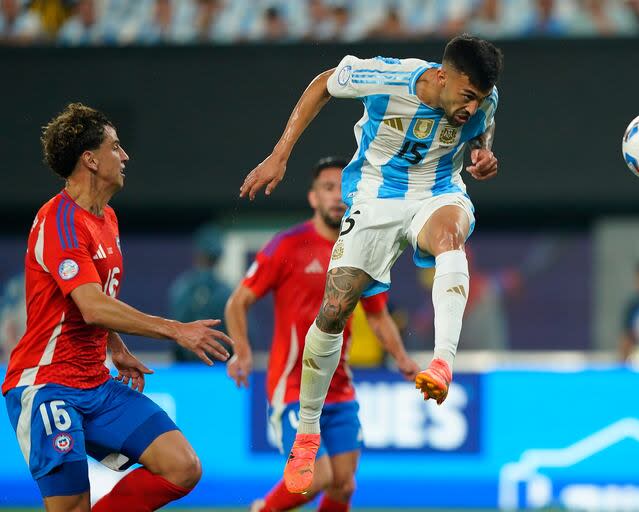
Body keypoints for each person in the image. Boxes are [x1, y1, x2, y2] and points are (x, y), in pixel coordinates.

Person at [239, 34, 502, 493]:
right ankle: (305, 432)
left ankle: (442, 363)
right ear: (443, 76)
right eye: (466, 96)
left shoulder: (484, 98)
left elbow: (482, 123)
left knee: (450, 240)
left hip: (437, 190)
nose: (472, 106)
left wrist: (480, 150)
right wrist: (280, 154)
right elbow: (323, 83)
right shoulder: (389, 76)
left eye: (479, 98)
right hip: (376, 194)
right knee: (334, 309)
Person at [2, 103, 233, 512]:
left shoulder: (106, 217)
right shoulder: (59, 221)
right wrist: (176, 330)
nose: (124, 156)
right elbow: (90, 305)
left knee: (182, 466)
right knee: (71, 505)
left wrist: (117, 346)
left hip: (95, 383)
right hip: (46, 386)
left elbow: (93, 300)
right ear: (90, 159)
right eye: (115, 146)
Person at [227, 157, 419, 512]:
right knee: (316, 478)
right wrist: (242, 350)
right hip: (294, 388)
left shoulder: (363, 250)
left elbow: (378, 316)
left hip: (340, 388)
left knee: (344, 484)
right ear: (313, 198)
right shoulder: (288, 245)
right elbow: (238, 302)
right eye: (328, 189)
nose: (337, 197)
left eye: (344, 189)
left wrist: (404, 360)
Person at [168, 225, 231, 362]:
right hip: (220, 369)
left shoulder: (181, 287)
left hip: (187, 370)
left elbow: (173, 336)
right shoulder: (227, 292)